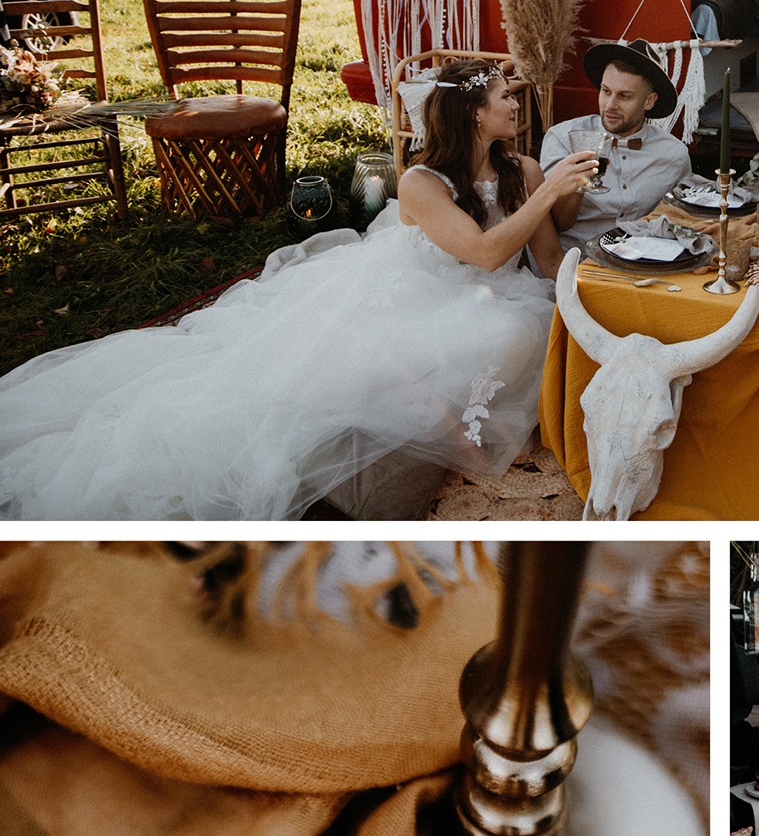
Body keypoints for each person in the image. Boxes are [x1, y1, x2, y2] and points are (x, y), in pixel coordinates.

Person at [0, 60, 597, 520]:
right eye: (503, 98)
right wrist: (547, 196)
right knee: (356, 377)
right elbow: (487, 252)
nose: (514, 105)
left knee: (528, 325)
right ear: (473, 114)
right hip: (419, 289)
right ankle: (425, 430)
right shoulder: (421, 181)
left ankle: (451, 414)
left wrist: (600, 281)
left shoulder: (524, 171)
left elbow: (544, 259)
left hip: (495, 292)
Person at [540, 39, 692, 255]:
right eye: (605, 91)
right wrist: (578, 179)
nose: (610, 105)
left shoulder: (674, 154)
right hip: (574, 261)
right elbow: (554, 223)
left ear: (649, 102)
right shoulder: (563, 138)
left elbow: (682, 220)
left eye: (624, 96)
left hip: (641, 263)